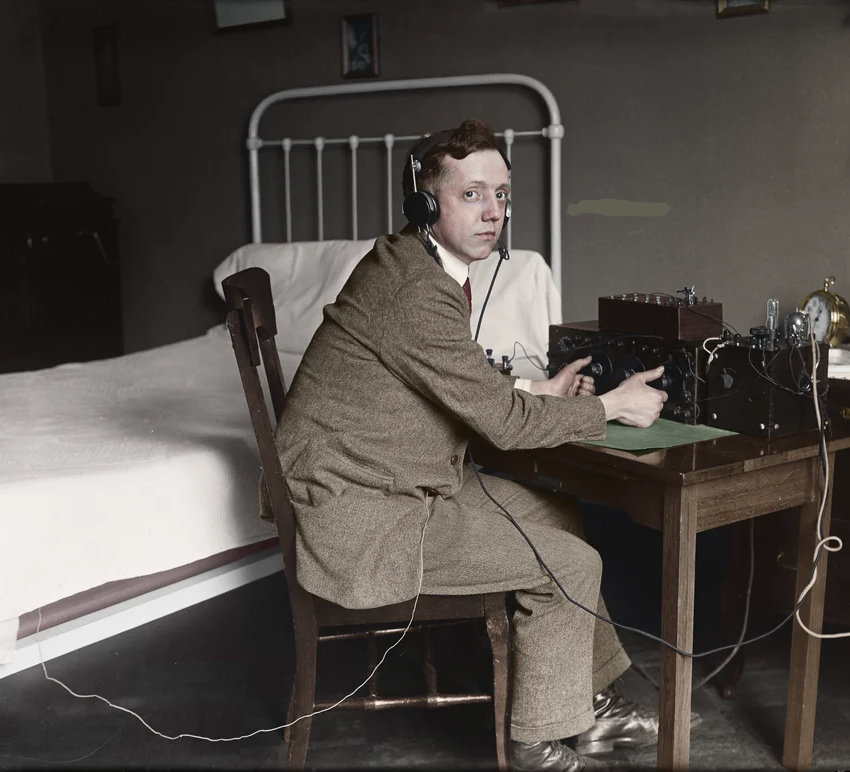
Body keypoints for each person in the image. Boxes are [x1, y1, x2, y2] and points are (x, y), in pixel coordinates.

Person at [273, 118, 674, 770]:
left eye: (503, 195)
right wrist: (610, 407)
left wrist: (534, 388)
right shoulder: (415, 290)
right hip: (362, 516)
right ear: (426, 203)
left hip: (383, 482)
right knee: (569, 565)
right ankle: (536, 746)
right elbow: (502, 425)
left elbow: (448, 378)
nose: (494, 212)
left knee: (558, 516)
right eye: (472, 195)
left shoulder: (416, 264)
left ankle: (586, 709)